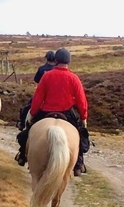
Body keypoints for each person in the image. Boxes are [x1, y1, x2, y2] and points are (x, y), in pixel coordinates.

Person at [15, 47, 90, 176]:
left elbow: (38, 98)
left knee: (28, 131)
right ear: (69, 61)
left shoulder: (46, 76)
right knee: (81, 135)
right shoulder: (74, 78)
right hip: (67, 113)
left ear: (56, 60)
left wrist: (32, 114)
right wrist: (83, 117)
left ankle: (22, 154)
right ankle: (78, 164)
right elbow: (81, 101)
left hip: (45, 111)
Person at [18, 50, 56, 130]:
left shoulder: (42, 69)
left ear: (47, 58)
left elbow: (36, 79)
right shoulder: (57, 70)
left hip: (42, 95)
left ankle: (22, 125)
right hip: (56, 95)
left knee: (26, 109)